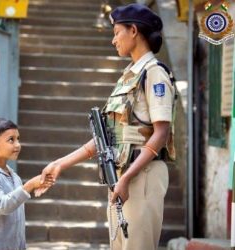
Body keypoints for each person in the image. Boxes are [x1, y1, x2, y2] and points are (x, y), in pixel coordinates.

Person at [36, 3, 177, 250]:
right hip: (122, 176)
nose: (113, 40)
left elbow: (161, 133)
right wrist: (60, 164)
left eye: (116, 32)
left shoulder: (154, 74)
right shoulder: (129, 75)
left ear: (133, 30)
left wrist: (127, 178)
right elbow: (107, 137)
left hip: (141, 175)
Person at [0, 117, 54, 250]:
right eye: (11, 140)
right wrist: (29, 185)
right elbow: (2, 205)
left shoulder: (14, 176)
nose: (17, 145)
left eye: (18, 139)